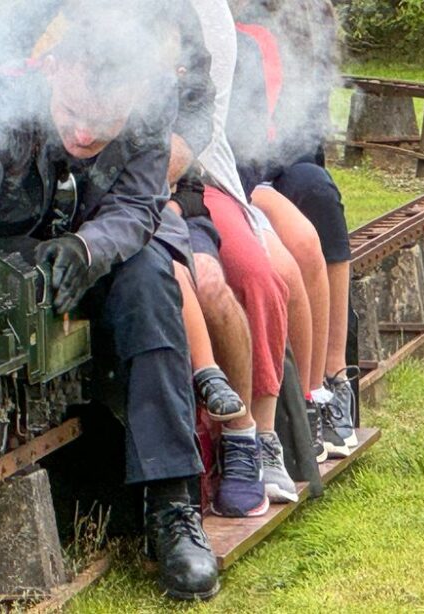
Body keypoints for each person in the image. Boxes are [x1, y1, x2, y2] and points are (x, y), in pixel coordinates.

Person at [0, 8, 220, 600]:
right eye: (72, 116)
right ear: (54, 67)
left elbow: (140, 208)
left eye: (104, 123)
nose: (86, 136)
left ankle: (172, 508)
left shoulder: (155, 100)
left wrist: (88, 249)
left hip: (94, 257)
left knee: (151, 280)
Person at [166, 0, 308, 515]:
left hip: (192, 172)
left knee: (252, 272)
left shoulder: (205, 15)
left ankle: (257, 436)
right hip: (98, 179)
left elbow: (203, 120)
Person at [229, 0, 359, 457]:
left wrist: (269, 179)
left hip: (277, 161)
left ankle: (334, 374)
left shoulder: (305, 17)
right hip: (231, 171)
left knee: (317, 191)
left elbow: (307, 130)